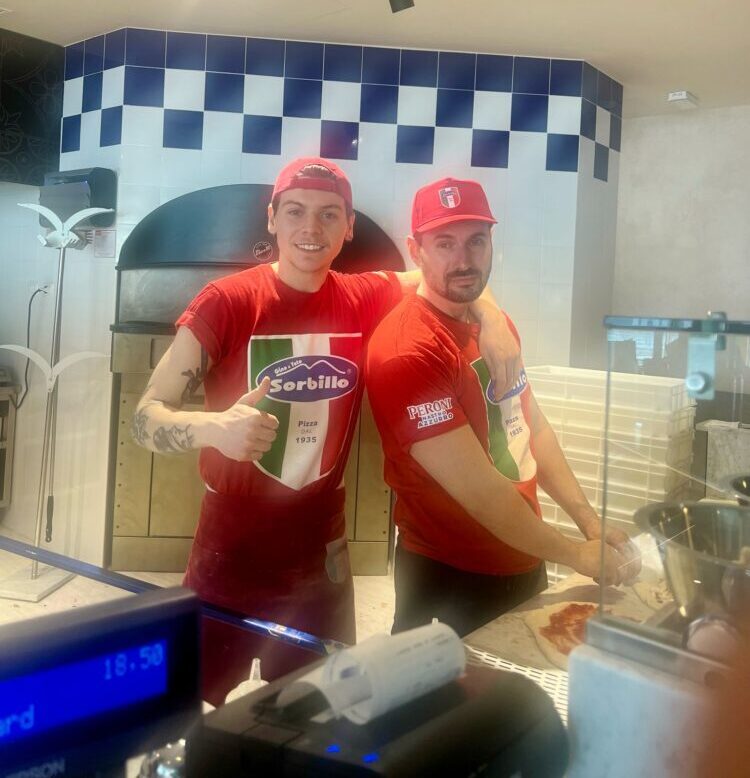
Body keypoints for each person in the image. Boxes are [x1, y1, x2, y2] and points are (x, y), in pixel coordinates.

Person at [130, 158, 521, 705]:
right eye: (295, 212)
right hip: (229, 545)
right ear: (272, 219)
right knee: (192, 706)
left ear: (348, 227)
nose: (311, 229)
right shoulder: (226, 302)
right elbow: (145, 417)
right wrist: (212, 428)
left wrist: (495, 321)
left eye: (328, 214)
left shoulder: (366, 295)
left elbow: (449, 275)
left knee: (322, 707)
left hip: (321, 551)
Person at [365, 176, 641, 637]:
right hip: (448, 574)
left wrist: (589, 523)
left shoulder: (495, 328)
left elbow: (530, 428)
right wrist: (575, 553)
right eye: (445, 243)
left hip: (523, 553)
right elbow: (482, 494)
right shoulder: (407, 351)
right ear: (416, 251)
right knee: (450, 686)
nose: (463, 259)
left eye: (476, 240)